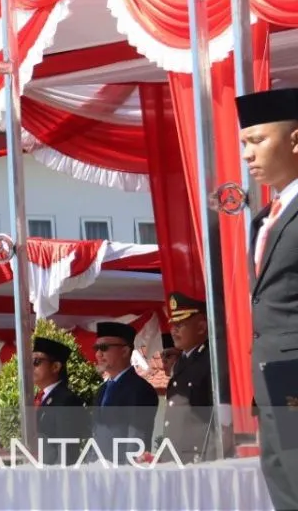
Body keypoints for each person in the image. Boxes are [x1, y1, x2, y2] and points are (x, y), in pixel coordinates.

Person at [236, 87, 298, 510]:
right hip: (271, 372)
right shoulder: (264, 219)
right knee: (282, 478)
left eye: (258, 140)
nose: (247, 154)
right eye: (244, 143)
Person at [159, 292, 221, 463]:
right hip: (177, 458)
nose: (174, 330)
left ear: (201, 327)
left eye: (180, 324)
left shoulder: (211, 361)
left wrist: (210, 461)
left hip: (198, 459)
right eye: (173, 324)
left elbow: (216, 419)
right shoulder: (182, 362)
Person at [90, 321, 158, 463]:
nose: (98, 354)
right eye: (96, 348)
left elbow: (136, 442)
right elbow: (96, 435)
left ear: (125, 351)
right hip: (99, 469)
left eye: (104, 348)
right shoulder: (102, 389)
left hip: (122, 471)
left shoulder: (140, 390)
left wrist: (128, 472)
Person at [31, 336, 89, 466]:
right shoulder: (39, 398)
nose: (30, 367)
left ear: (56, 366)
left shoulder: (66, 400)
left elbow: (66, 450)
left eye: (36, 362)